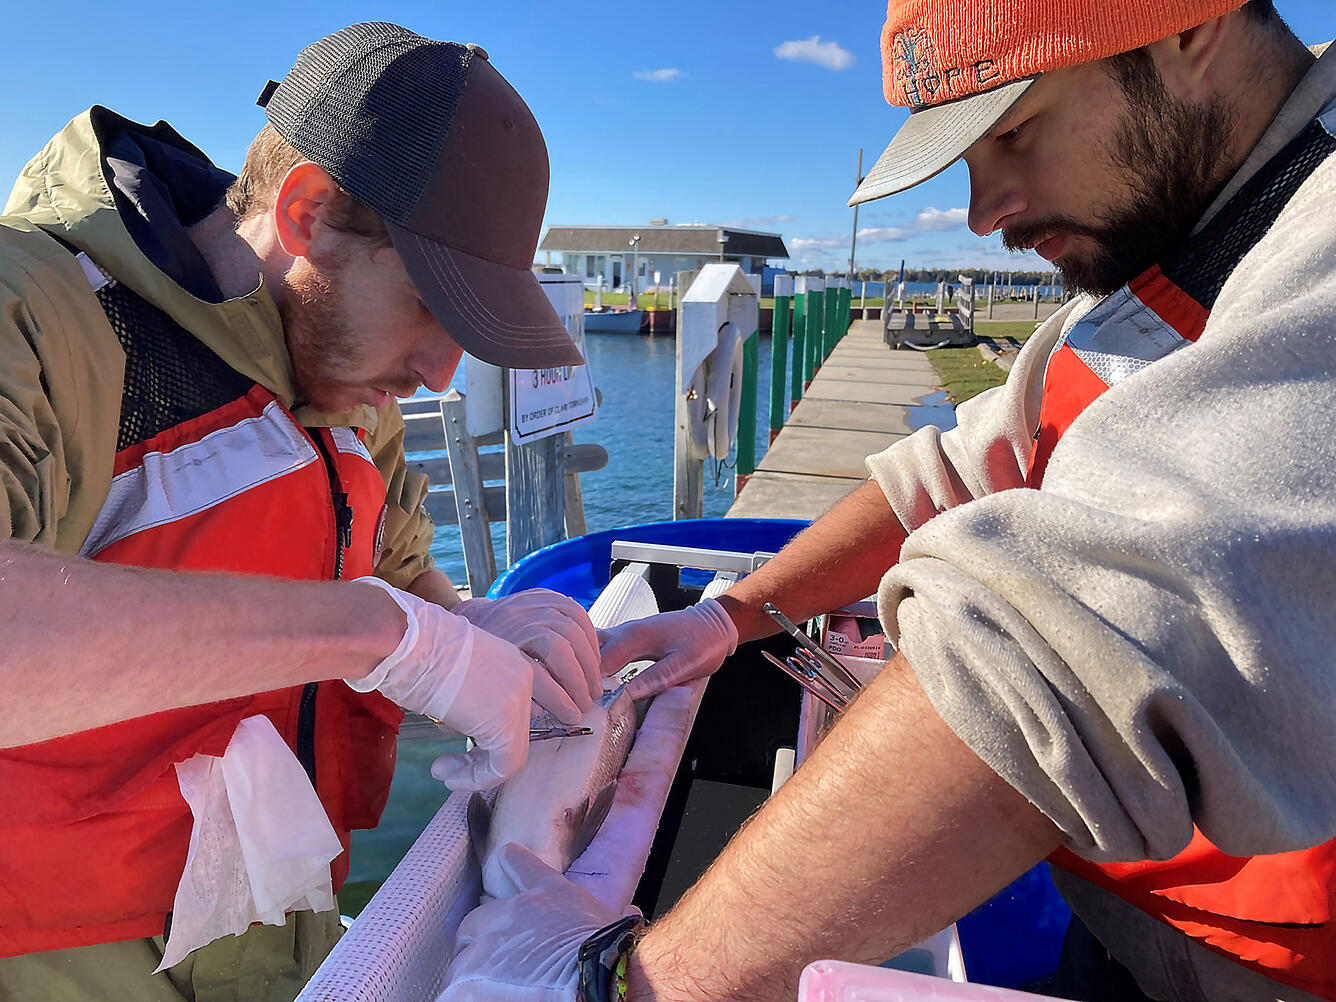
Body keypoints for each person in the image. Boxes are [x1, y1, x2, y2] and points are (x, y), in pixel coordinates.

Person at [443, 2, 1336, 1001]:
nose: (983, 210)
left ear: (1186, 28)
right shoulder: (1183, 248)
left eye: (1012, 131)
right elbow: (962, 466)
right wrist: (732, 613)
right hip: (1143, 919)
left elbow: (1055, 648)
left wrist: (622, 987)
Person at [0, 22, 605, 1002]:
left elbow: (404, 581)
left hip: (288, 950)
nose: (441, 375)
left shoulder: (355, 390)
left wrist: (474, 627)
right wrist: (380, 632)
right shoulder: (36, 314)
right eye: (429, 309)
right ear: (308, 212)